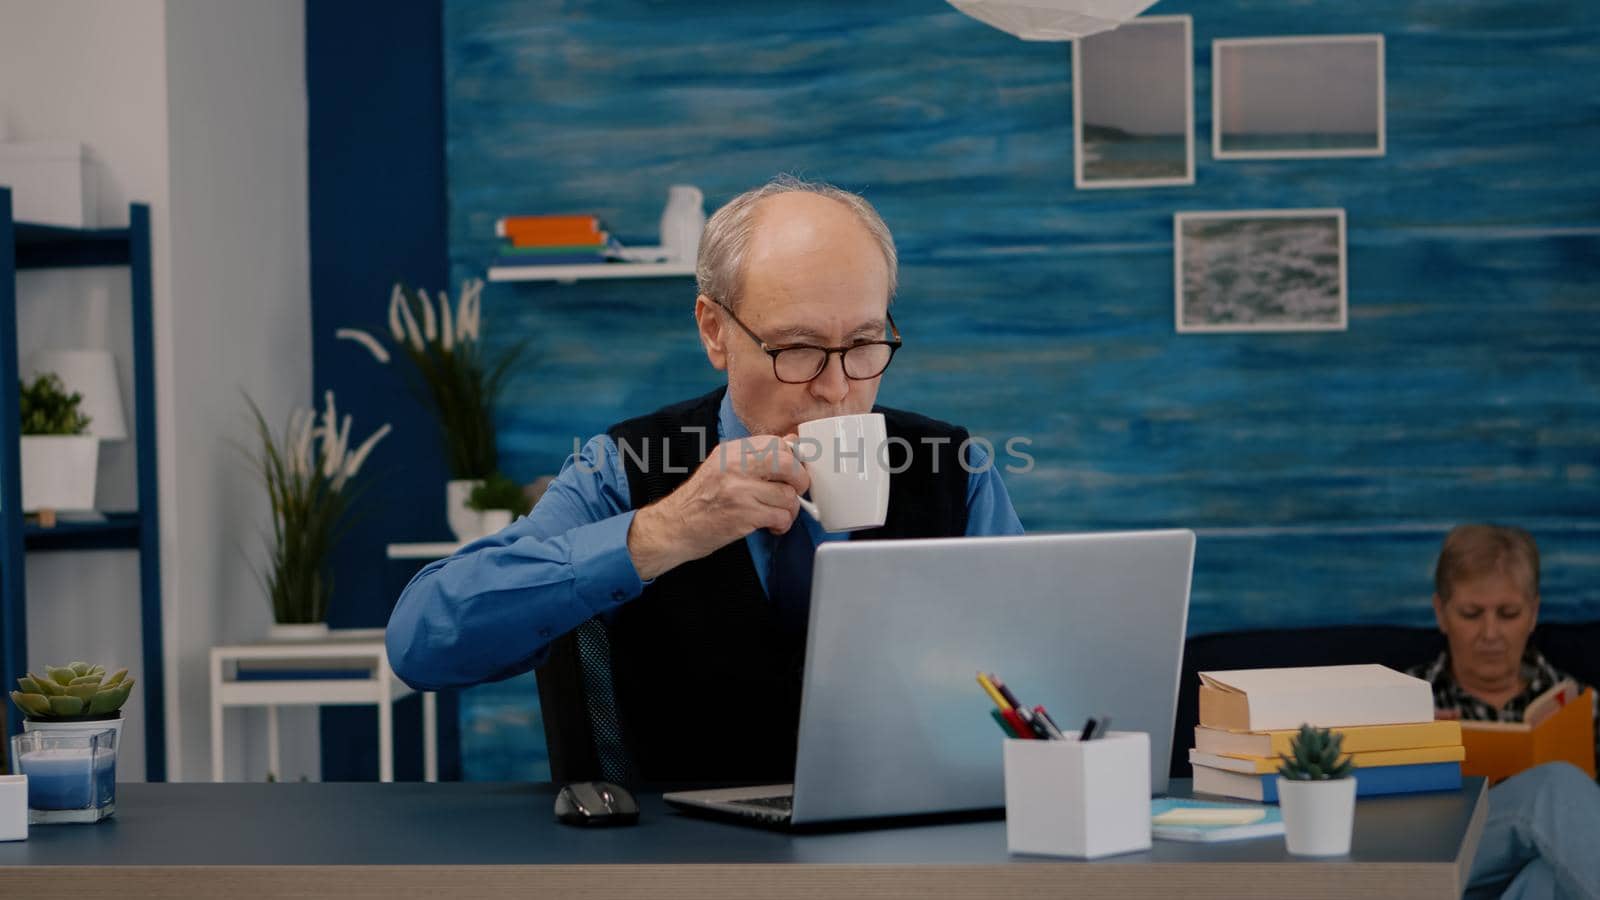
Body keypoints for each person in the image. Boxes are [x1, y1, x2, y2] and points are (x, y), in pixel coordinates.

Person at [387, 175, 1023, 785]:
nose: (837, 388)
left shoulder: (954, 470)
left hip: (906, 853)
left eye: (864, 343)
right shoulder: (622, 467)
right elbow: (421, 643)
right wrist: (661, 532)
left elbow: (1033, 678)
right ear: (715, 332)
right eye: (796, 349)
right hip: (683, 862)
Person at [1408, 524, 1600, 900]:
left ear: (1533, 614)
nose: (1490, 633)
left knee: (1549, 876)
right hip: (1441, 869)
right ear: (1441, 613)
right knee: (1554, 786)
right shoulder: (1404, 702)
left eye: (1508, 614)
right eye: (1471, 614)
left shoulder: (1578, 704)